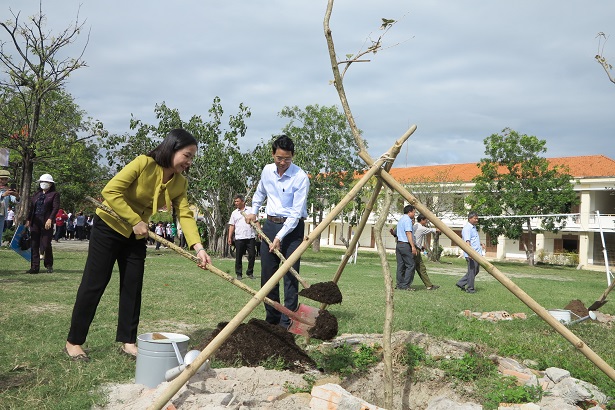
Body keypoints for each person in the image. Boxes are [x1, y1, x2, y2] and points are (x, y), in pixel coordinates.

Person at [65, 128, 211, 361]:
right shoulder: (144, 163)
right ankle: (74, 341)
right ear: (172, 149)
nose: (189, 161)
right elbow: (110, 191)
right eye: (187, 155)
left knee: (132, 286)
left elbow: (185, 215)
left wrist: (198, 247)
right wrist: (134, 220)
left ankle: (128, 341)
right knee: (95, 283)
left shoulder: (179, 183)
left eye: (192, 157)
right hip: (109, 227)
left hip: (136, 237)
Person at [245, 135, 309, 328]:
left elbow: (296, 213)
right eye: (279, 158)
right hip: (270, 225)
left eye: (287, 159)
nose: (282, 163)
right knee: (268, 275)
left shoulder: (300, 178)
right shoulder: (267, 171)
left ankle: (287, 321)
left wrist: (280, 237)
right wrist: (253, 212)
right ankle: (271, 319)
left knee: (289, 275)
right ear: (273, 154)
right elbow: (260, 193)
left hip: (293, 228)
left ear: (293, 156)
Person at [25, 173, 60, 274]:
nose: (43, 183)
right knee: (34, 243)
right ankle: (34, 267)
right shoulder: (36, 194)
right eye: (42, 182)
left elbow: (55, 208)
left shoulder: (54, 194)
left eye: (46, 182)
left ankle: (48, 264)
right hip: (35, 221)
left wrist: (50, 219)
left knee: (46, 244)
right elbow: (32, 208)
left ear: (51, 184)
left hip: (46, 221)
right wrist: (28, 219)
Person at [228, 194, 257, 280]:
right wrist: (229, 237)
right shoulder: (234, 213)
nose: (235, 203)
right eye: (235, 201)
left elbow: (256, 221)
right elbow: (232, 225)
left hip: (250, 237)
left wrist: (259, 232)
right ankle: (239, 274)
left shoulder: (251, 210)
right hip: (239, 238)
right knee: (238, 256)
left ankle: (250, 272)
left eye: (237, 201)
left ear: (242, 202)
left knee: (252, 255)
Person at [456, 211, 482, 294]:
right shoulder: (467, 228)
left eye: (477, 218)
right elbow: (467, 242)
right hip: (471, 254)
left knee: (475, 270)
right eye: (475, 218)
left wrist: (480, 244)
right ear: (470, 218)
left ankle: (461, 283)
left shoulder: (473, 228)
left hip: (476, 254)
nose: (477, 220)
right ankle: (470, 289)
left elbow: (473, 240)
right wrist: (470, 253)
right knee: (472, 271)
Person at [413, 215, 440, 290]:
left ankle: (429, 285)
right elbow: (430, 230)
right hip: (415, 250)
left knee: (421, 268)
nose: (426, 222)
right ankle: (404, 285)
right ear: (422, 220)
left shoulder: (415, 226)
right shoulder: (420, 227)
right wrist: (437, 230)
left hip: (417, 248)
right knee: (412, 268)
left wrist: (420, 246)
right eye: (426, 220)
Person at [394, 205, 418, 290]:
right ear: (409, 212)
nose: (414, 214)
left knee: (400, 265)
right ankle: (405, 285)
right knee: (410, 265)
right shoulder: (408, 220)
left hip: (399, 244)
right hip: (405, 244)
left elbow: (395, 232)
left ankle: (399, 284)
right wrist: (413, 246)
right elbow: (408, 233)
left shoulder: (401, 220)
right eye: (414, 212)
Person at [1, 169, 20, 242]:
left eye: (6, 179)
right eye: (2, 179)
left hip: (2, 214)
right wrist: (3, 195)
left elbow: (15, 200)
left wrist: (17, 196)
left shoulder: (8, 189)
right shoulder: (5, 191)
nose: (4, 181)